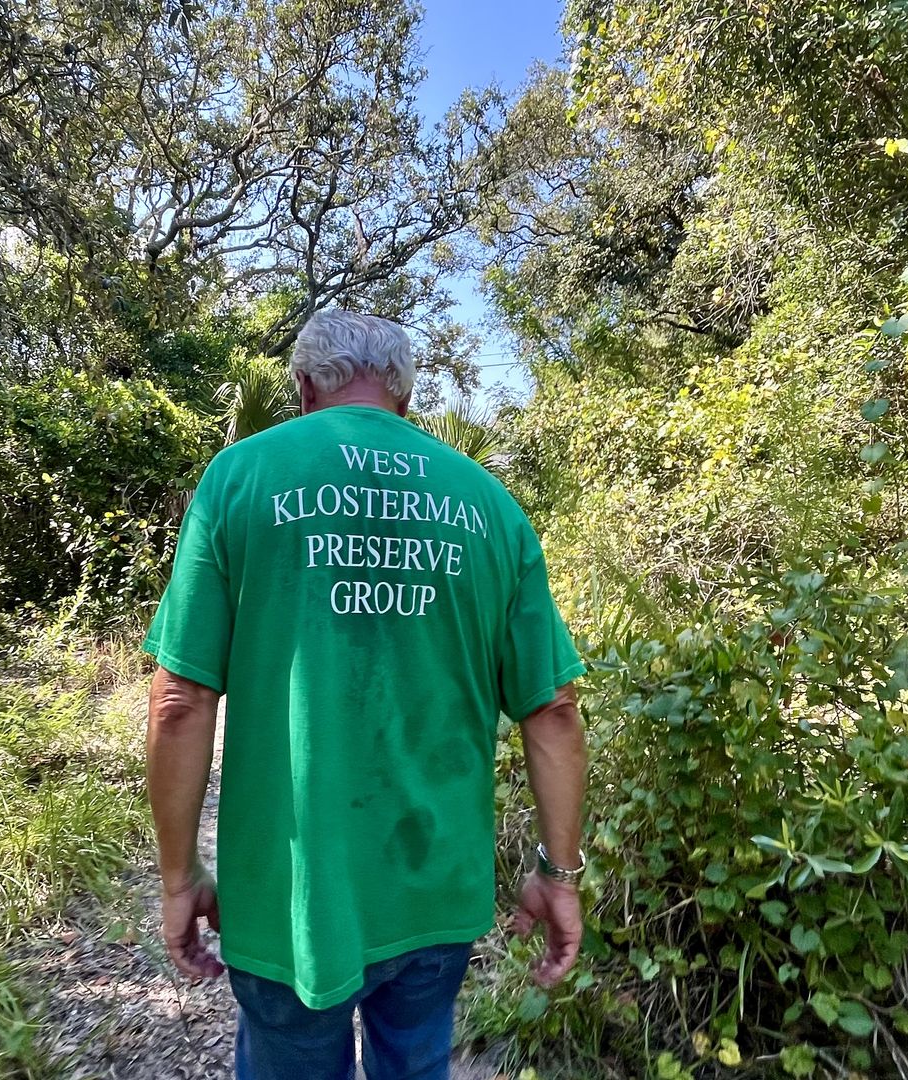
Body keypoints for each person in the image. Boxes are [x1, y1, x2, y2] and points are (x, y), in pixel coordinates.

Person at [143, 308, 588, 1080]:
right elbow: (552, 712)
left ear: (303, 389)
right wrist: (558, 874)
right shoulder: (492, 507)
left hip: (289, 899)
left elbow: (179, 699)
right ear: (406, 401)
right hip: (433, 889)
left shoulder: (240, 478)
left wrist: (180, 878)